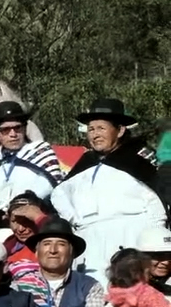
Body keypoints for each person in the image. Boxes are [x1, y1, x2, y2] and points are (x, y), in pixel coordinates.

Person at [53, 99, 167, 283]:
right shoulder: (85, 162)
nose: (95, 135)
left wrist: (154, 244)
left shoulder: (138, 159)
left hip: (130, 238)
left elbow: (157, 205)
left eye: (101, 128)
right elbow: (59, 194)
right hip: (89, 242)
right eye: (91, 129)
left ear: (120, 130)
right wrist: (74, 219)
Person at [0, 101, 65, 210]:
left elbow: (53, 190)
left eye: (17, 128)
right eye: (5, 130)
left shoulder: (39, 152)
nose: (13, 134)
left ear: (25, 128)